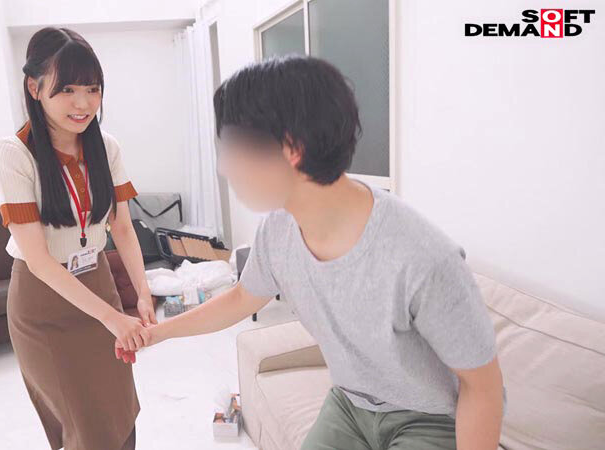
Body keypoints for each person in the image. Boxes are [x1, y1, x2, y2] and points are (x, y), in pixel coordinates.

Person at [116, 55, 506, 449]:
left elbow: (484, 386)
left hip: (428, 418)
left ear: (292, 148)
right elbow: (242, 298)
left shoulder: (422, 258)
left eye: (232, 147)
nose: (223, 167)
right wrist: (156, 333)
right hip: (351, 403)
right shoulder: (278, 229)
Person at [0, 27, 157, 450]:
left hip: (98, 284)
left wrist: (142, 292)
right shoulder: (12, 154)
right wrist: (113, 318)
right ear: (34, 87)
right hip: (43, 304)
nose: (83, 104)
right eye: (67, 90)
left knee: (118, 407)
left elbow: (122, 227)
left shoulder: (106, 147)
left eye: (92, 89)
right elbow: (40, 261)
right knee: (85, 425)